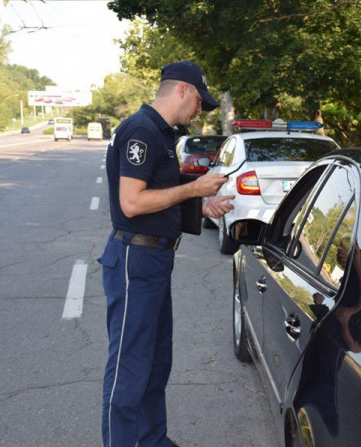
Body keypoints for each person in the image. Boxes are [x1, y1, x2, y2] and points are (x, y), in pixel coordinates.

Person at [98, 61, 234, 447]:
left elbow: (160, 193)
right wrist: (194, 190)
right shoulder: (142, 131)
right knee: (129, 367)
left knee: (155, 365)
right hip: (135, 261)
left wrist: (201, 207)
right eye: (198, 102)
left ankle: (153, 441)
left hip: (155, 261)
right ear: (182, 91)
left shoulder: (162, 133)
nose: (199, 111)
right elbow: (132, 202)